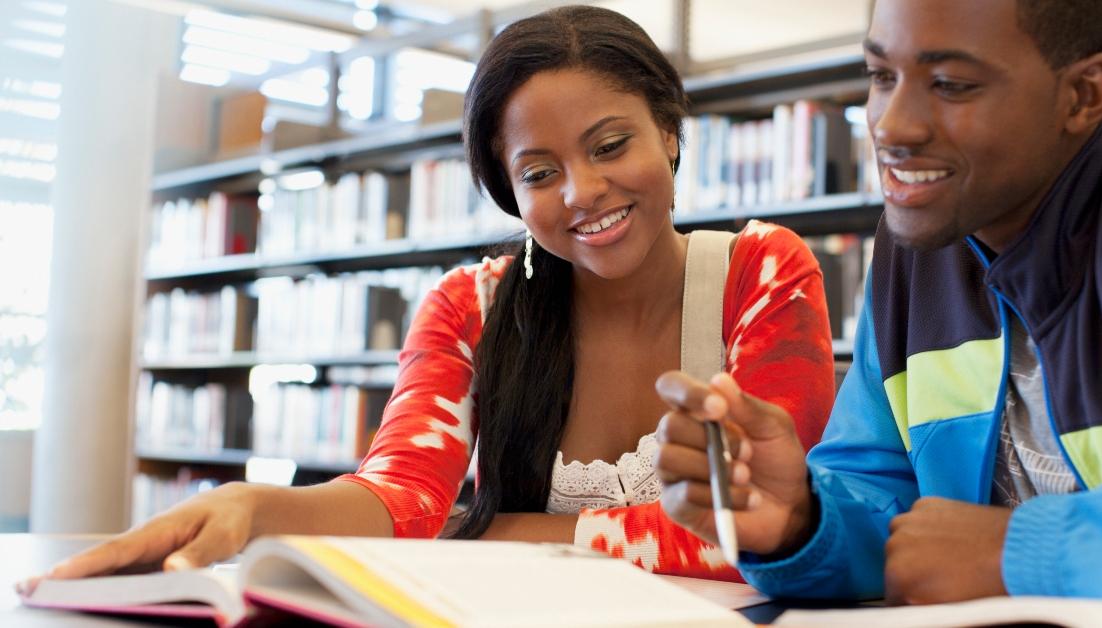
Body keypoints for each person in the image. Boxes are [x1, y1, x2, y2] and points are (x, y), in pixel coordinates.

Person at [32, 5, 835, 586]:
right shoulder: (470, 306)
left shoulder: (762, 271)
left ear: (667, 128)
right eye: (540, 173)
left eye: (610, 145)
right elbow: (403, 497)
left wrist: (486, 530)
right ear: (509, 192)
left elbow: (766, 523)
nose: (583, 191)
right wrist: (255, 506)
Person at [655, 0, 1102, 606]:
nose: (890, 126)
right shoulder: (914, 251)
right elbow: (888, 504)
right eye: (882, 76)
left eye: (950, 84)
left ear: (1083, 95)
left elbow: (977, 552)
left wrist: (1019, 551)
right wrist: (802, 521)